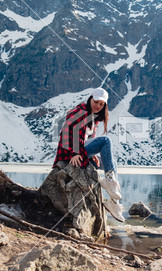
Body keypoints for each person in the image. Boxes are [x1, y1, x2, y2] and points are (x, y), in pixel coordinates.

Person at [53, 87, 125, 222]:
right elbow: (68, 131)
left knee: (112, 163)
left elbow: (87, 139)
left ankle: (114, 203)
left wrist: (91, 156)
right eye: (96, 102)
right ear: (90, 99)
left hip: (83, 152)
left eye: (101, 104)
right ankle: (109, 181)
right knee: (105, 140)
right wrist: (74, 153)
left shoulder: (94, 117)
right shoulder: (80, 111)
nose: (98, 106)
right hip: (71, 153)